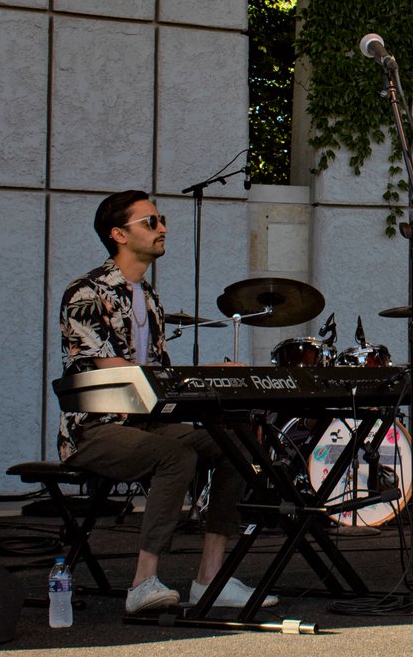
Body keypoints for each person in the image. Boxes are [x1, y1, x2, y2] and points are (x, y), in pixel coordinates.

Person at [60, 190, 278, 614]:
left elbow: (161, 378)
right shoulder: (85, 293)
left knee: (235, 446)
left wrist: (212, 371)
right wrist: (195, 376)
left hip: (146, 424)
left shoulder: (149, 298)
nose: (162, 229)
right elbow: (111, 369)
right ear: (118, 234)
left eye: (161, 220)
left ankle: (209, 579)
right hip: (95, 430)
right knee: (175, 455)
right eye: (151, 222)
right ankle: (143, 582)